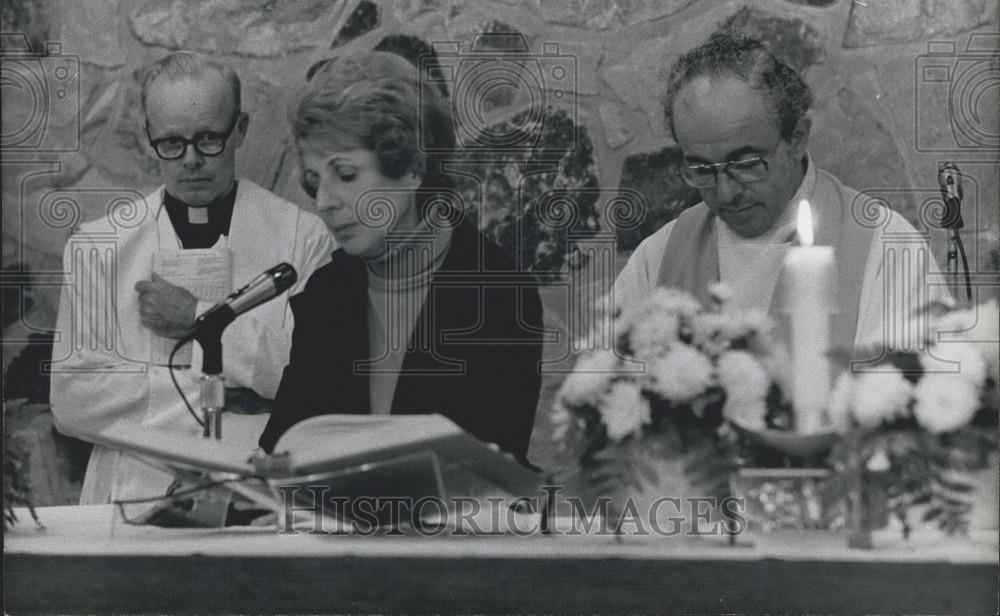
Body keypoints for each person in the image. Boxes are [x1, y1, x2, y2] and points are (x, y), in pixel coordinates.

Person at [50, 52, 335, 504]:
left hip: (258, 491)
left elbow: (315, 380)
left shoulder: (303, 238)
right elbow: (74, 401)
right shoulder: (97, 246)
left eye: (208, 139)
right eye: (171, 143)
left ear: (239, 130)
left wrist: (196, 320)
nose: (190, 160)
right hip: (129, 491)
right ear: (148, 139)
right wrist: (229, 392)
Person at [258, 50, 544, 464]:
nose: (323, 201)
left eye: (347, 175)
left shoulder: (499, 294)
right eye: (314, 180)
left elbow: (484, 475)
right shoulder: (327, 292)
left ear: (412, 167)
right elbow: (283, 448)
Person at [615, 32, 950, 351]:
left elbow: (914, 396)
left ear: (797, 137)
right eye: (702, 169)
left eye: (745, 163)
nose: (727, 193)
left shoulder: (887, 247)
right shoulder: (658, 258)